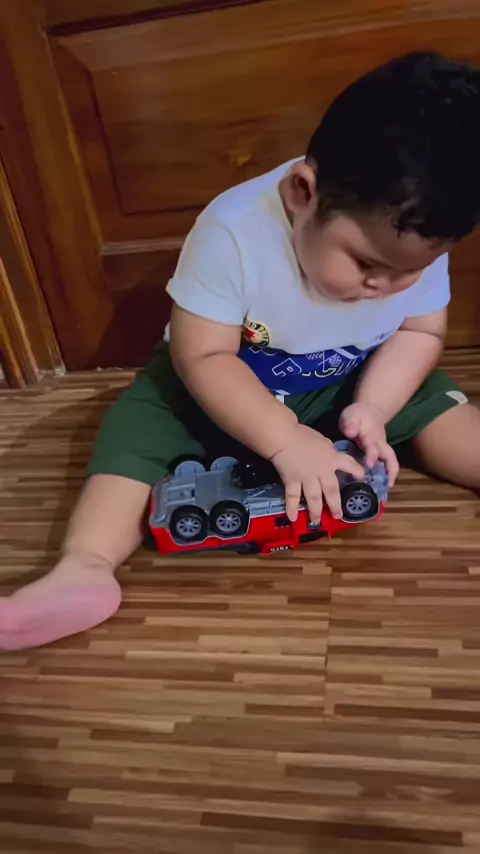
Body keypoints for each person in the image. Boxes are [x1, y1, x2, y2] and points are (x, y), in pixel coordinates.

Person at [2, 51, 480, 650]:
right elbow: (203, 357)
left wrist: (376, 408)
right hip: (220, 383)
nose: (385, 285)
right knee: (136, 432)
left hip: (352, 375)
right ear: (304, 192)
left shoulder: (416, 239)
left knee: (438, 410)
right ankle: (85, 567)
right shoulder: (233, 230)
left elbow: (419, 333)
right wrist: (284, 439)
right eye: (365, 263)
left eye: (410, 270)